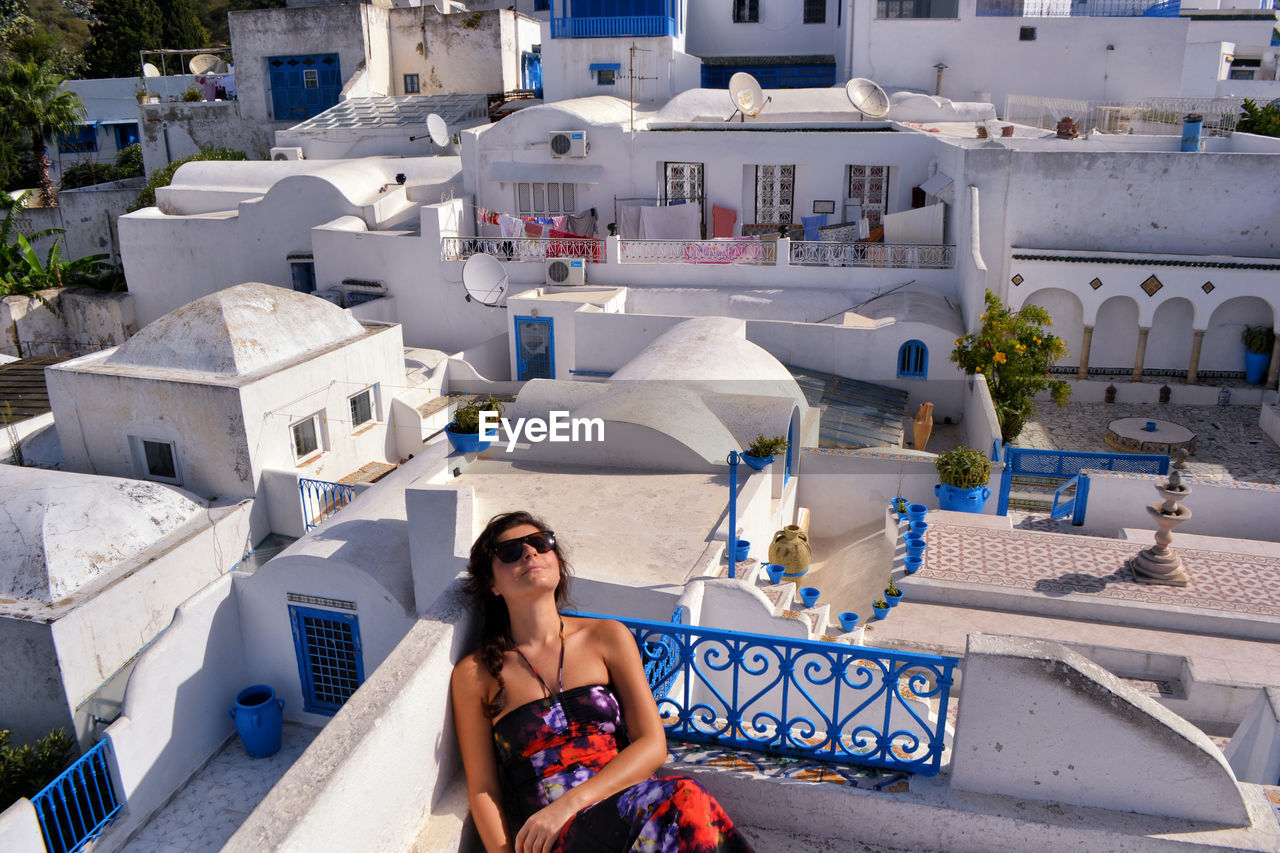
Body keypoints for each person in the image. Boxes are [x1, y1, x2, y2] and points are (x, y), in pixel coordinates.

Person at [451, 511, 755, 853]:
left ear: (557, 560)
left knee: (685, 802)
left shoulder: (607, 637)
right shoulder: (476, 674)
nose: (529, 553)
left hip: (620, 805)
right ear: (491, 583)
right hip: (553, 838)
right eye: (509, 551)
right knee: (684, 802)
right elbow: (483, 789)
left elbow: (652, 744)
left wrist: (567, 804)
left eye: (540, 543)